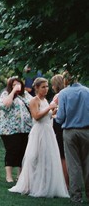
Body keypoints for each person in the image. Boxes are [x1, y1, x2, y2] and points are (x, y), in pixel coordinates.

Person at [9, 77, 68, 197]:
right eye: (43, 87)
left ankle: (46, 185)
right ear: (36, 88)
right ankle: (31, 185)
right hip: (39, 132)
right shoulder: (34, 101)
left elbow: (47, 115)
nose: (46, 89)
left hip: (48, 132)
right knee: (33, 157)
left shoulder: (46, 100)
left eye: (47, 86)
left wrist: (54, 112)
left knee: (47, 158)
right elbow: (36, 116)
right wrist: (50, 108)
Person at [54, 71, 89, 203]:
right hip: (87, 130)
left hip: (70, 131)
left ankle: (76, 196)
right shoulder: (87, 91)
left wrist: (57, 117)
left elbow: (60, 117)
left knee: (73, 164)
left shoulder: (63, 93)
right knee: (88, 162)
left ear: (65, 80)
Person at [0, 76, 34, 183]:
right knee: (12, 150)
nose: (17, 86)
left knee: (23, 151)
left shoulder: (26, 95)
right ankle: (9, 176)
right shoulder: (6, 94)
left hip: (25, 128)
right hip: (9, 129)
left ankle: (20, 175)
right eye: (14, 84)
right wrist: (13, 91)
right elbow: (5, 106)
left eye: (18, 84)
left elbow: (34, 105)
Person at [50, 74, 70, 186]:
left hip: (60, 125)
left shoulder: (58, 96)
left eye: (52, 85)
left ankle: (66, 183)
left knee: (62, 156)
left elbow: (52, 111)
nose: (52, 87)